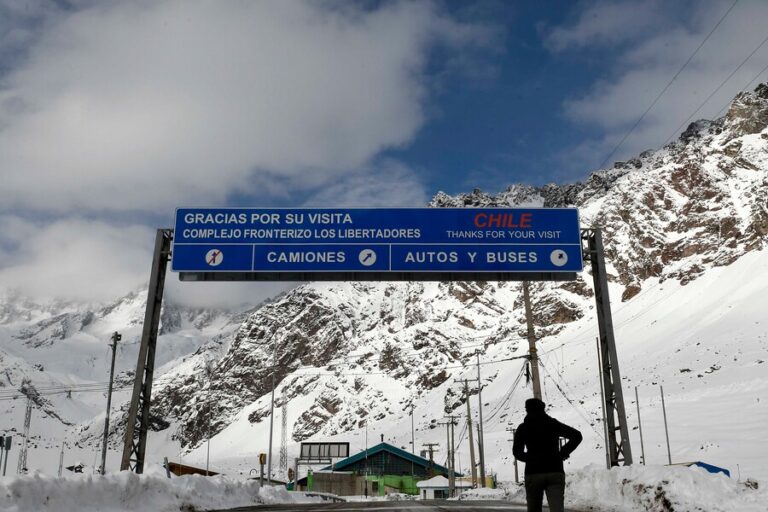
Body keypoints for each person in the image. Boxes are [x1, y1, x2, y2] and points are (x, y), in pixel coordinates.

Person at [513, 398, 582, 512]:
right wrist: (563, 452)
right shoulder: (553, 424)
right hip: (555, 470)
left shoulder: (523, 428)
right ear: (543, 409)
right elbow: (577, 436)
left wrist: (530, 459)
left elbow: (517, 452)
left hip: (533, 473)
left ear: (527, 410)